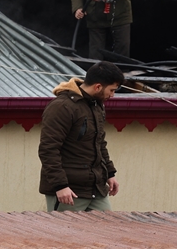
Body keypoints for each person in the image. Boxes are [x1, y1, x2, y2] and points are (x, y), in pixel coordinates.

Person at [38, 61, 125, 212]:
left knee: (107, 232)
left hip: (96, 188)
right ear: (98, 87)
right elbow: (48, 149)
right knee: (66, 235)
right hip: (68, 192)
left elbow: (100, 143)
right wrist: (60, 186)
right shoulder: (61, 107)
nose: (112, 95)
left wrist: (110, 173)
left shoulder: (97, 105)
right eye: (111, 90)